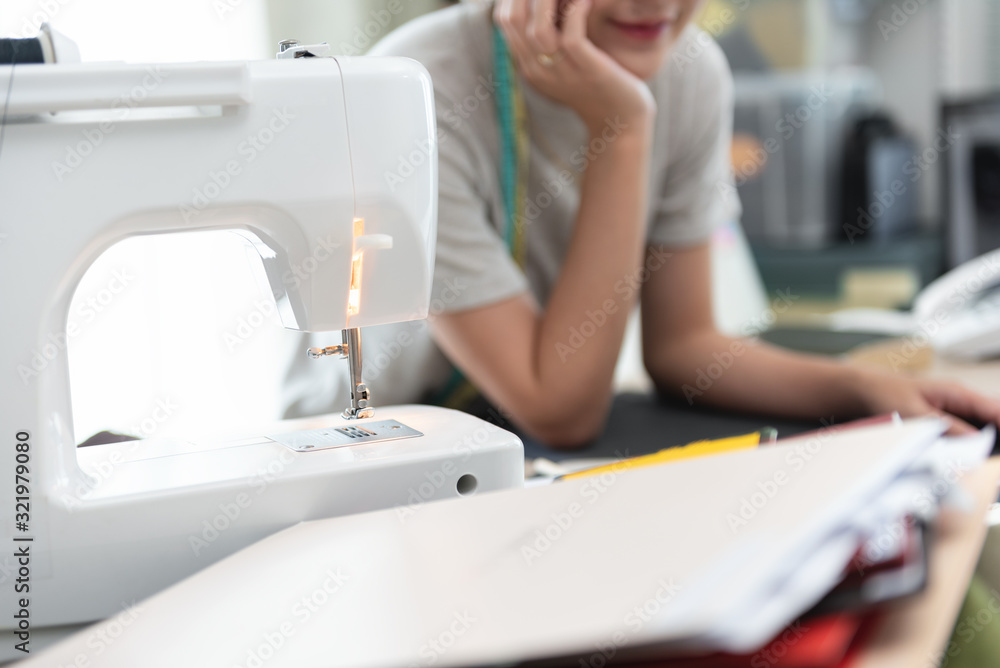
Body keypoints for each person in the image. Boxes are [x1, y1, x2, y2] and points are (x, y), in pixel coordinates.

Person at [284, 0, 1000, 449]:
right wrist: (623, 127)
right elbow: (561, 412)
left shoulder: (690, 72)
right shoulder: (415, 91)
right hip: (370, 449)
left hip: (524, 455)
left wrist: (863, 391)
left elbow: (686, 346)